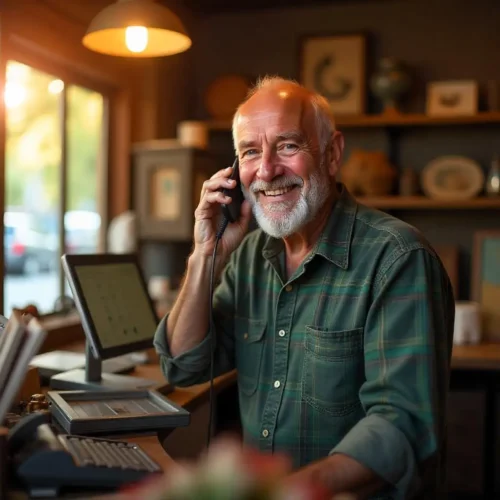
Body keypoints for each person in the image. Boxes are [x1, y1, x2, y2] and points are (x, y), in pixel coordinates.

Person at [153, 76, 455, 499]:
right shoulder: (248, 255)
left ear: (332, 154)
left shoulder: (398, 258)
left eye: (288, 146)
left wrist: (282, 493)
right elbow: (182, 365)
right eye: (250, 152)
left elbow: (401, 423)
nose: (267, 169)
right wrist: (206, 254)